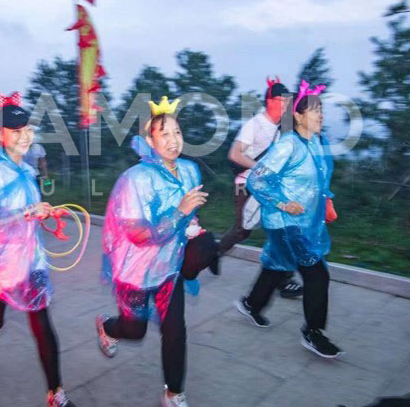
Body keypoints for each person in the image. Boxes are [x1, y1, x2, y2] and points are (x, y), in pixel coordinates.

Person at [0, 92, 76, 407]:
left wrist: (43, 213)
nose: (24, 136)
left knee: (42, 322)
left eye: (27, 129)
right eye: (15, 131)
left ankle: (55, 393)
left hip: (30, 260)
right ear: (0, 135)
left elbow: (24, 214)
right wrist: (27, 213)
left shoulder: (27, 172)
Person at [95, 97, 219, 407]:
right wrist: (180, 213)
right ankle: (107, 327)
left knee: (175, 329)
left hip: (169, 266)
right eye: (164, 134)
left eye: (177, 132)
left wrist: (193, 227)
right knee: (134, 330)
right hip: (135, 270)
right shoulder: (135, 179)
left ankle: (173, 392)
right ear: (150, 141)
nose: (173, 140)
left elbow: (190, 214)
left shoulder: (189, 171)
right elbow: (138, 234)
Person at [236, 81, 344, 358]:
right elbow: (257, 181)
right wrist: (282, 203)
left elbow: (321, 178)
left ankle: (251, 304)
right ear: (297, 116)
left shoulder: (319, 143)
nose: (321, 116)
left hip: (308, 222)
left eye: (321, 111)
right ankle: (313, 333)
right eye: (315, 111)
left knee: (278, 265)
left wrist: (327, 200)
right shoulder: (288, 145)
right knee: (316, 273)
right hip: (286, 222)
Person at [219, 78, 303, 299]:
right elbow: (234, 154)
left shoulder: (282, 127)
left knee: (282, 229)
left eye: (288, 102)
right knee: (242, 231)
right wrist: (260, 167)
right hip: (246, 185)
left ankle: (285, 281)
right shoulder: (255, 124)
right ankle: (214, 253)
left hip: (268, 188)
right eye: (283, 101)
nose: (287, 105)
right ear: (270, 101)